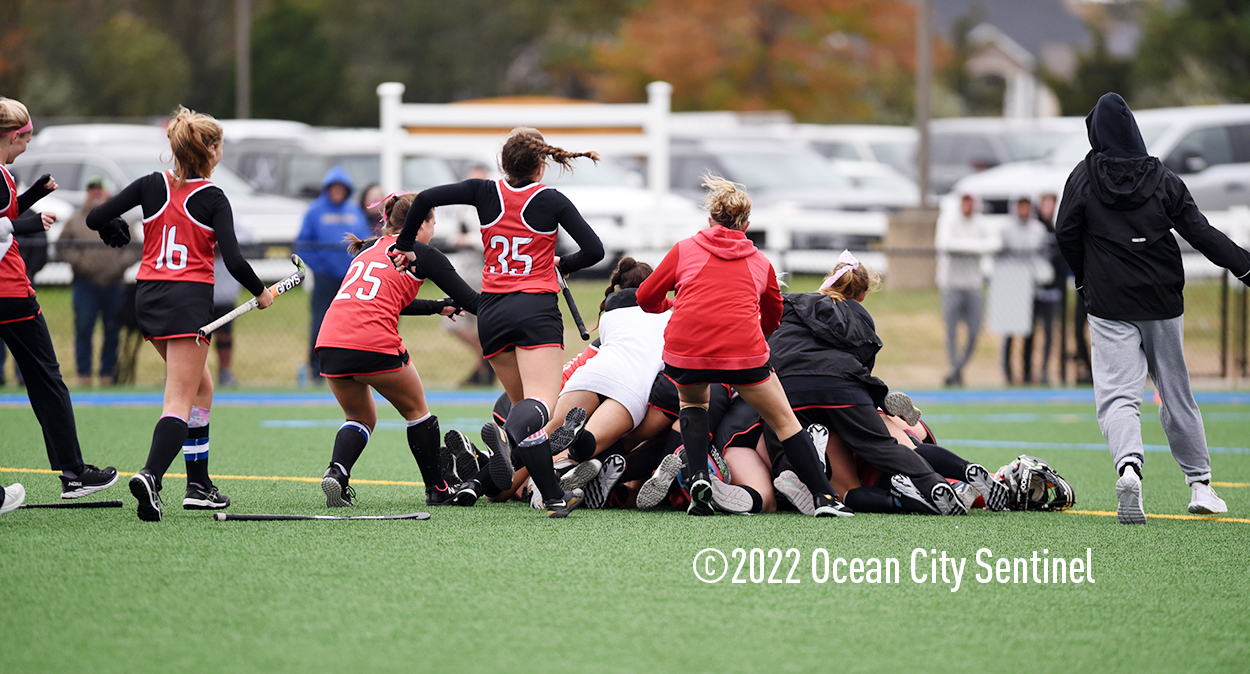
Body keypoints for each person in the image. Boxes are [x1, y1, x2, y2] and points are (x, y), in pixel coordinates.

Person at [1055, 92, 1250, 524]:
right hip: (1162, 298)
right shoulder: (1162, 177)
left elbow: (1065, 231)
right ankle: (1200, 484)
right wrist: (1245, 267)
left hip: (1108, 301)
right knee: (1175, 391)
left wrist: (1084, 277)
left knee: (1118, 394)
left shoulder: (1083, 177)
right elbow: (1200, 232)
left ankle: (1129, 468)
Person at [390, 127, 604, 518]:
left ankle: (552, 495)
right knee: (538, 405)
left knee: (526, 413)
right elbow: (594, 250)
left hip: (491, 314)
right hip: (535, 311)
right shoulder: (550, 199)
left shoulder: (483, 191)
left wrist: (403, 245)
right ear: (542, 165)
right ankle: (517, 455)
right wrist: (563, 265)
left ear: (503, 163)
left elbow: (422, 198)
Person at [87, 106, 275, 522]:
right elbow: (236, 259)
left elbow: (96, 216)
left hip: (148, 298)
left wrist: (113, 228)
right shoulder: (212, 196)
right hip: (187, 300)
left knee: (201, 389)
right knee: (179, 398)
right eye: (219, 143)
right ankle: (152, 475)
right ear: (210, 150)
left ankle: (198, 485)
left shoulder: (152, 185)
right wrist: (261, 292)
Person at [635, 175, 850, 517]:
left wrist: (670, 307)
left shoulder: (684, 249)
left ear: (710, 219)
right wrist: (754, 338)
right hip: (745, 354)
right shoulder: (761, 262)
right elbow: (773, 314)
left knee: (693, 405)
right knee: (784, 420)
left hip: (687, 351)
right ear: (747, 224)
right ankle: (824, 497)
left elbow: (645, 296)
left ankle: (699, 482)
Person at [764, 251, 969, 515]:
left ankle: (797, 470)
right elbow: (862, 367)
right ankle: (933, 483)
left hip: (789, 386)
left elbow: (771, 340)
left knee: (780, 430)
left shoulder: (793, 302)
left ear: (829, 281)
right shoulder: (859, 316)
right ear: (862, 294)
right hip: (842, 387)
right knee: (881, 447)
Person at [316, 193, 483, 508]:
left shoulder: (366, 251)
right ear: (421, 225)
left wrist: (437, 307)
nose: (432, 231)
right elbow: (474, 302)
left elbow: (383, 299)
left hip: (330, 341)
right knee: (418, 412)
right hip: (373, 342)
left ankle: (337, 472)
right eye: (432, 223)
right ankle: (437, 488)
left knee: (359, 416)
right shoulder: (422, 253)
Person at [0, 96, 118, 500]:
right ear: (11, 136)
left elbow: (5, 213)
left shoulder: (4, 175)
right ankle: (74, 473)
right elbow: (4, 224)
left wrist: (33, 194)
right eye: (26, 138)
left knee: (43, 380)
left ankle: (72, 472)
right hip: (11, 293)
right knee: (48, 381)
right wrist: (28, 224)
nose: (28, 145)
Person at [56, 176, 140, 386]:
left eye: (99, 189)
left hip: (115, 283)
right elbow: (61, 247)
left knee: (113, 331)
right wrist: (79, 260)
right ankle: (84, 374)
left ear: (108, 193)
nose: (95, 193)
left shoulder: (123, 220)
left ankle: (107, 375)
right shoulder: (75, 220)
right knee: (84, 329)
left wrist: (121, 263)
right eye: (91, 189)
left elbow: (137, 248)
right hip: (85, 284)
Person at [295, 166, 372, 385]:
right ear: (327, 188)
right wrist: (321, 267)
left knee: (353, 322)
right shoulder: (315, 210)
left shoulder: (354, 210)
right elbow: (303, 245)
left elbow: (365, 241)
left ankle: (351, 366)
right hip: (324, 278)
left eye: (341, 188)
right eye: (333, 187)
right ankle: (316, 367)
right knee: (320, 322)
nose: (337, 191)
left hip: (351, 279)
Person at [935, 192, 1000, 386]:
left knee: (974, 331)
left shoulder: (981, 223)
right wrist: (976, 247)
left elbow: (995, 243)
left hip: (973, 285)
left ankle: (957, 369)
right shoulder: (948, 220)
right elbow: (945, 244)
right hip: (951, 284)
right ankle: (955, 373)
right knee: (952, 332)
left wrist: (965, 247)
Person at [989, 196, 1048, 385]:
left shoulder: (1037, 230)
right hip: (1012, 284)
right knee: (1010, 331)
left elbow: (1042, 255)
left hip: (1031, 284)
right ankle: (1008, 372)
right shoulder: (1006, 229)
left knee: (1030, 332)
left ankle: (1028, 371)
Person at [1026, 192, 1066, 385]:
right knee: (1030, 332)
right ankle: (1028, 371)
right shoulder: (1034, 228)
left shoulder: (1056, 228)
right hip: (1034, 290)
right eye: (1045, 204)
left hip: (1052, 290)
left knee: (1051, 333)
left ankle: (1045, 370)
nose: (1048, 208)